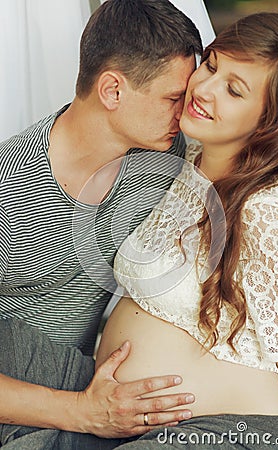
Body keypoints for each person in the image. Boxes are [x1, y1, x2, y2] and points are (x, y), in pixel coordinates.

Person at [0, 1, 204, 448]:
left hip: (95, 390)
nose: (184, 113)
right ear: (112, 90)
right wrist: (80, 412)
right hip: (23, 399)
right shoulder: (8, 186)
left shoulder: (164, 156)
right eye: (173, 98)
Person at [95, 12, 278, 449]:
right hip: (142, 425)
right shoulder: (188, 164)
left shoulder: (264, 211)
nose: (202, 89)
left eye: (233, 89)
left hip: (240, 433)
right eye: (210, 65)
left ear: (271, 122)